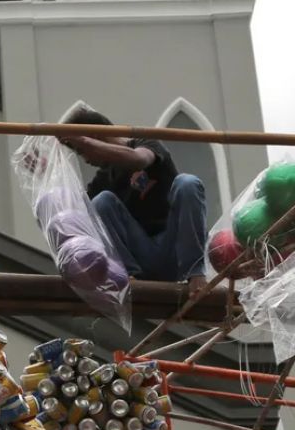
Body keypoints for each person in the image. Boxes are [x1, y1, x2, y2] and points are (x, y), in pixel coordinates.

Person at [61, 106, 208, 294]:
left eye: (82, 151)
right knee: (100, 202)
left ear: (94, 138)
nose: (86, 160)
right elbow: (73, 211)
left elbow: (139, 159)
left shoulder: (146, 143)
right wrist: (43, 176)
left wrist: (84, 141)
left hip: (174, 250)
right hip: (142, 256)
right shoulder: (103, 179)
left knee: (187, 183)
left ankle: (196, 273)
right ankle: (129, 277)